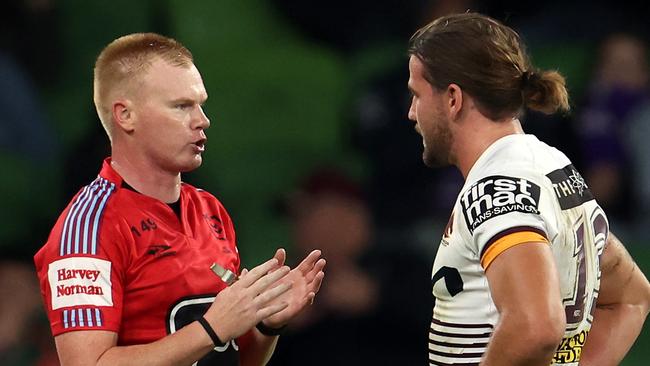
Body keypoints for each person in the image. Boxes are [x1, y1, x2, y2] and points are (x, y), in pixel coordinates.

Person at [33, 33, 325, 366]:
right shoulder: (89, 228)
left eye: (200, 104)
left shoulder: (210, 210)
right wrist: (211, 328)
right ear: (125, 115)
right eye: (181, 106)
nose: (203, 120)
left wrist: (267, 324)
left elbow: (237, 358)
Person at [406, 13, 650, 366]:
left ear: (453, 99)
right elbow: (630, 298)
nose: (412, 112)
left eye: (417, 95)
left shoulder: (496, 189)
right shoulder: (555, 170)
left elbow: (536, 328)